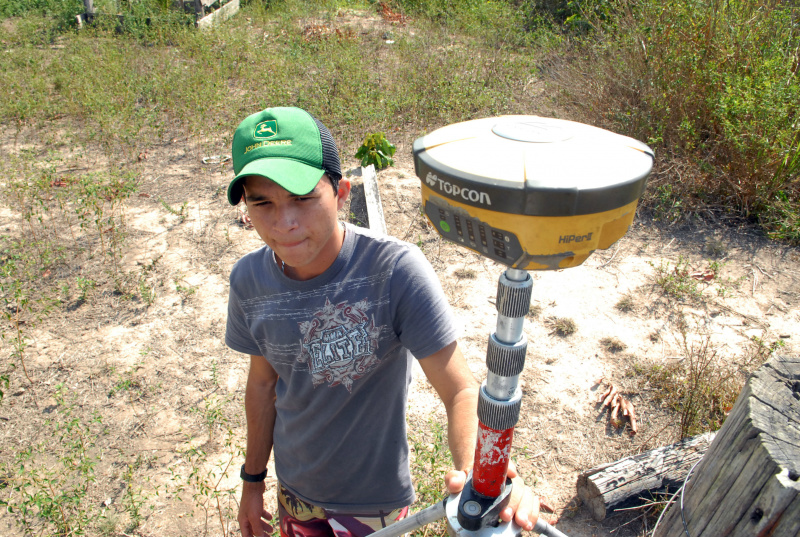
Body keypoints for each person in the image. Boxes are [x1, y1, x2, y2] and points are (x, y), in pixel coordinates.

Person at [224, 106, 539, 537]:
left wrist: (480, 475)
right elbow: (263, 384)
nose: (285, 223)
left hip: (374, 507)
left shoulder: (394, 271)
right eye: (262, 203)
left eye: (302, 197)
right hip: (295, 492)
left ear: (341, 193)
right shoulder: (249, 280)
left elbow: (461, 390)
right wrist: (253, 482)